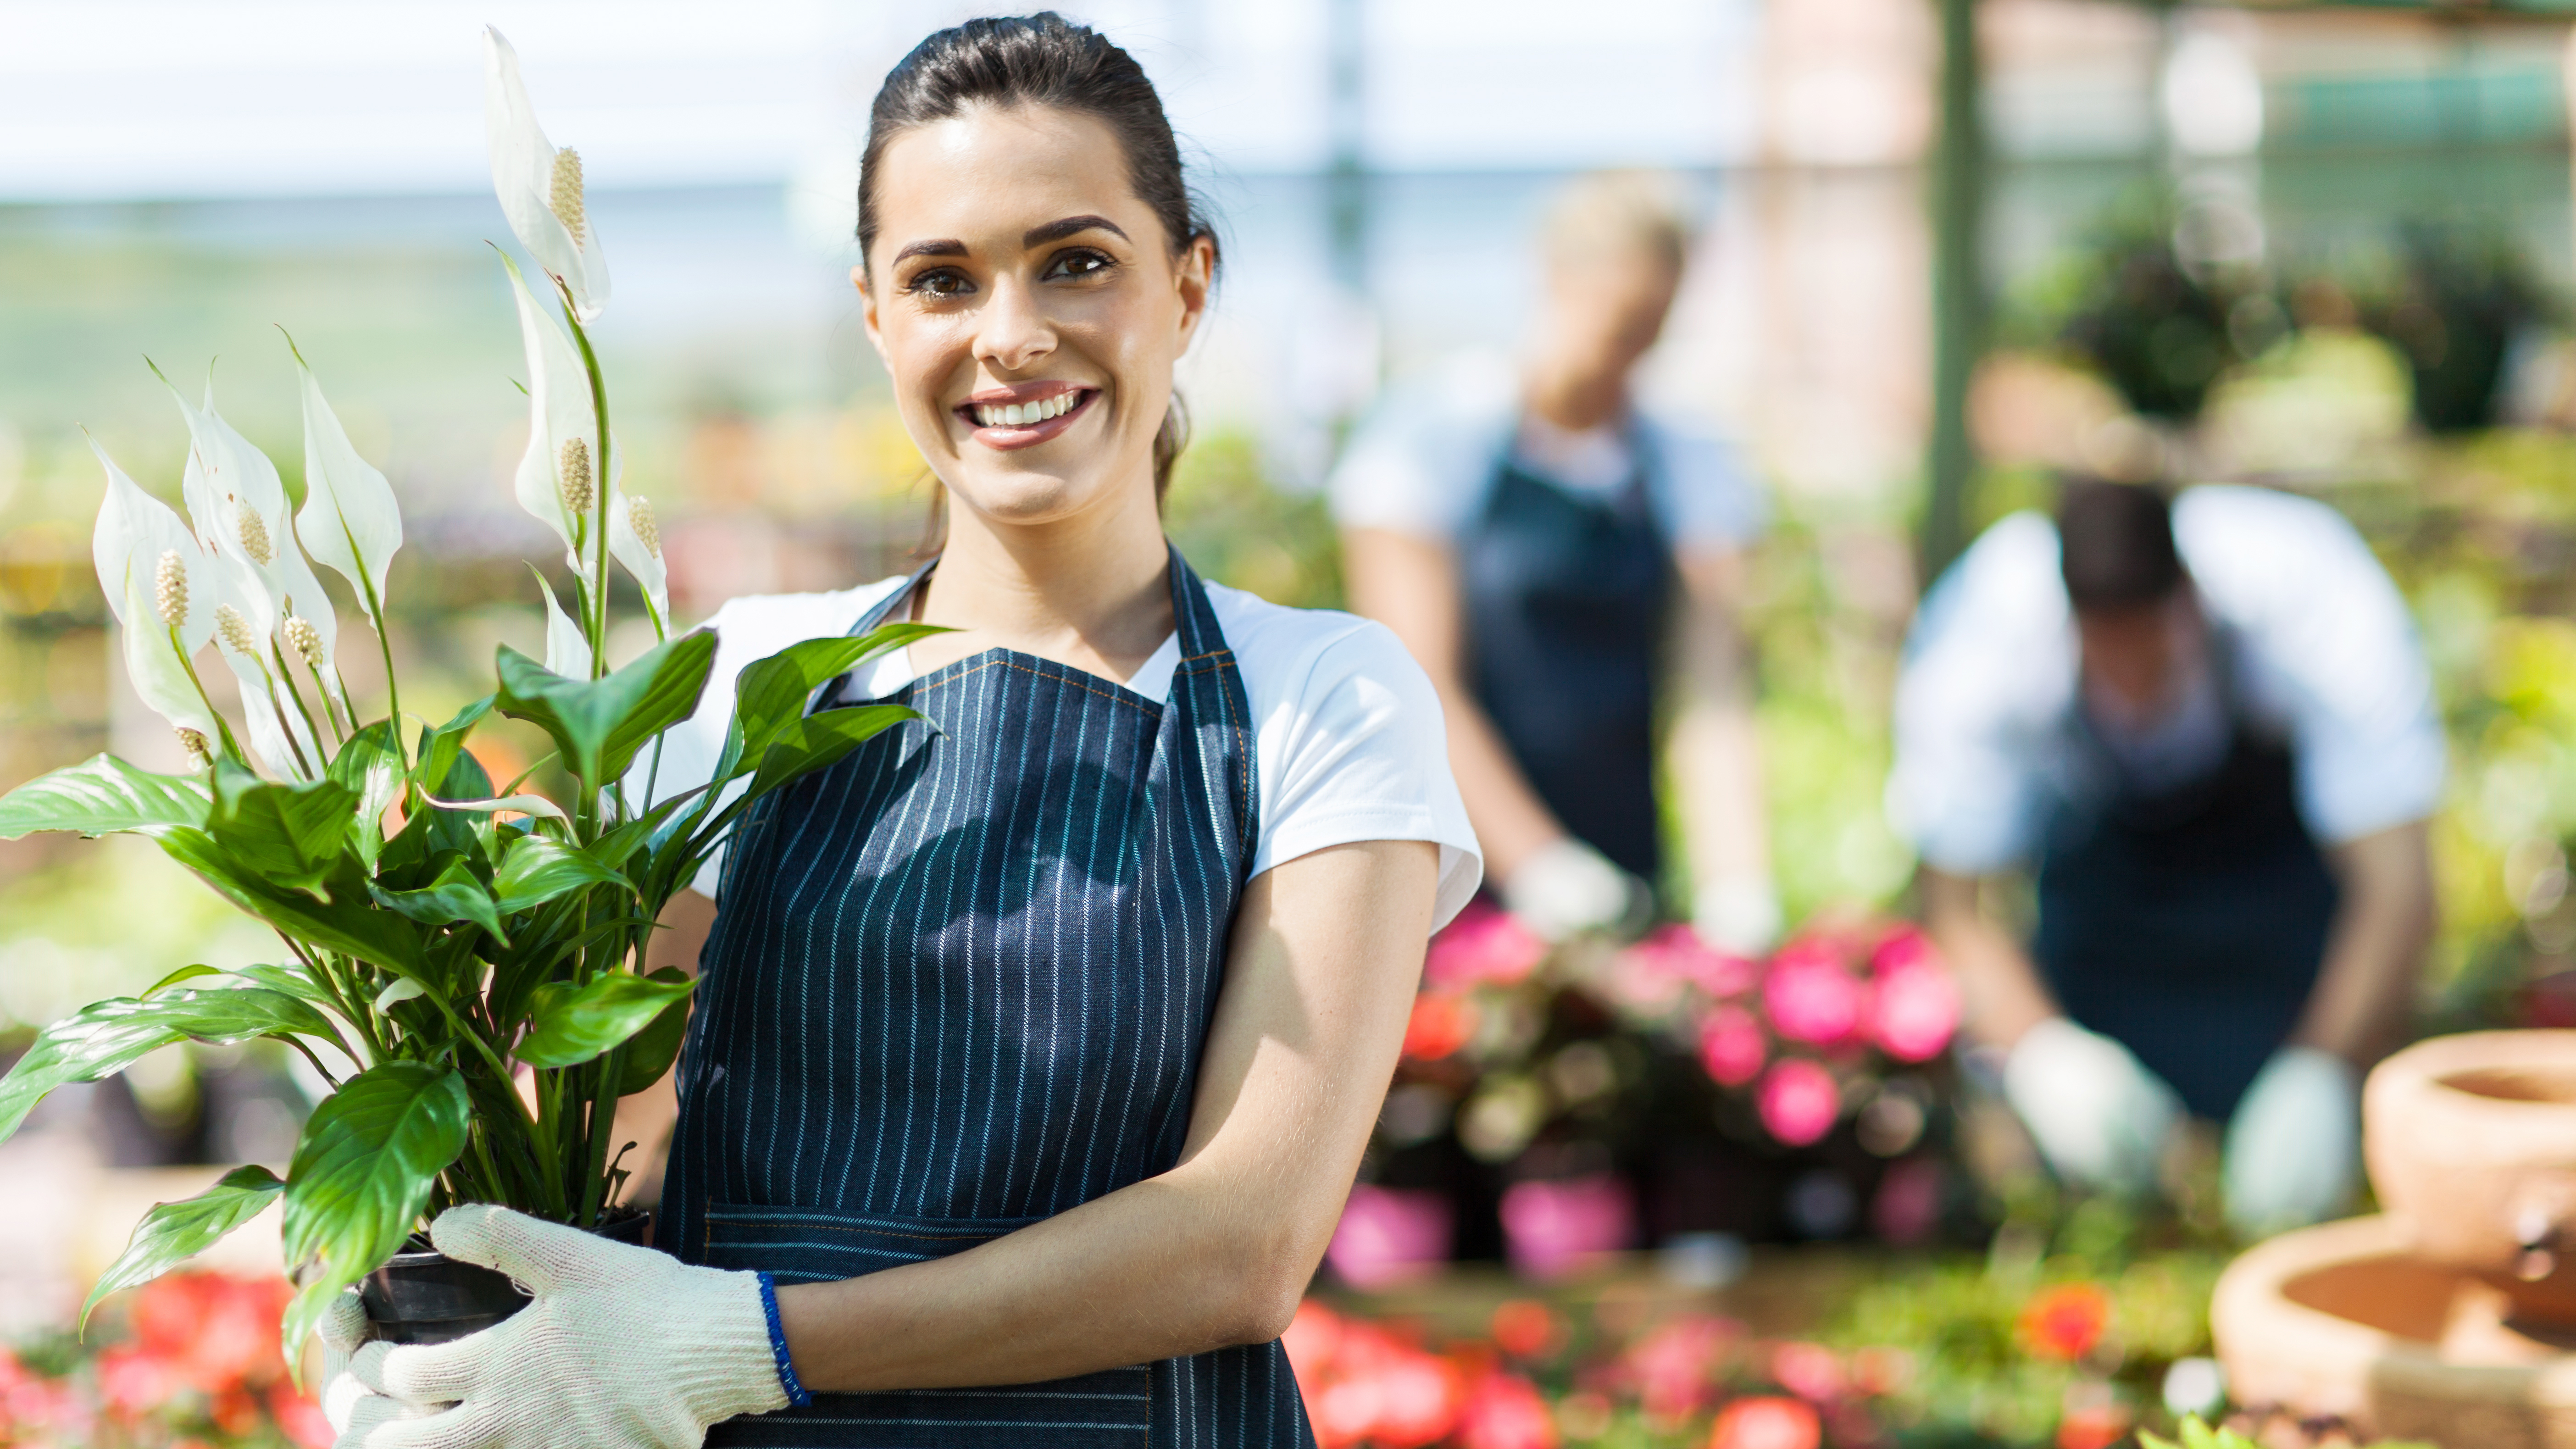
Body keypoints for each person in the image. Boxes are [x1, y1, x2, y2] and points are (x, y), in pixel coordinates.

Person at [326, 16, 1479, 1448]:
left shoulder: (1318, 698)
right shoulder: (747, 679)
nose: (1011, 334)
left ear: (1187, 288)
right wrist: (440, 1291)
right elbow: (620, 1137)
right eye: (944, 279)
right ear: (877, 315)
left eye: (1077, 262)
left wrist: (750, 1346)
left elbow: (1240, 1241)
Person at [1890, 478, 2441, 1236]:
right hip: (2103, 934)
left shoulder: (2314, 597)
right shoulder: (1981, 636)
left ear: (2190, 600)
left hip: (2280, 930)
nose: (2134, 686)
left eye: (2152, 655)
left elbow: (2398, 886)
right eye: (2108, 658)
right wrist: (2043, 1052)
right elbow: (1953, 905)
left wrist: (2324, 1068)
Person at [1330, 172, 1776, 950]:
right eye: (1619, 326)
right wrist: (1538, 865)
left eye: (1650, 332)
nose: (1626, 358)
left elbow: (1711, 689)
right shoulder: (1432, 439)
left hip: (1624, 863)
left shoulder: (1686, 461)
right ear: (1556, 279)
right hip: (1458, 881)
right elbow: (1415, 684)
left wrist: (1736, 879)